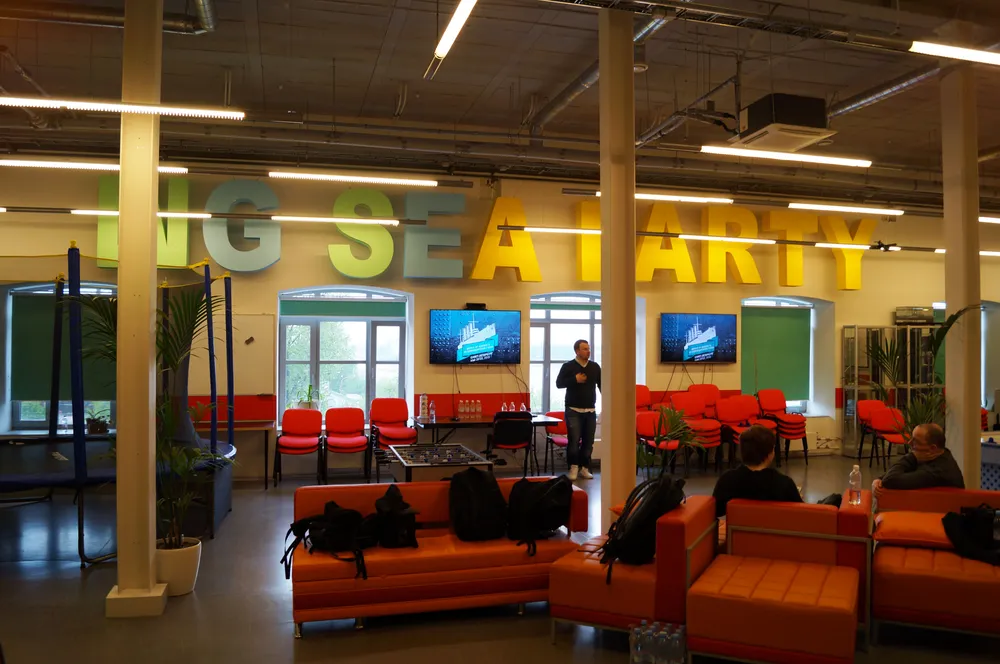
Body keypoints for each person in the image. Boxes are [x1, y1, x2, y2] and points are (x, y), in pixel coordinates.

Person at [712, 425, 802, 518]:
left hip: (739, 527)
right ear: (770, 454)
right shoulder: (784, 484)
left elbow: (714, 512)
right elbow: (802, 515)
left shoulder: (727, 480)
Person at [872, 423, 964, 498]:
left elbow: (890, 480)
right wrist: (880, 479)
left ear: (932, 448)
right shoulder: (942, 454)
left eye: (915, 442)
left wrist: (912, 456)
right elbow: (889, 477)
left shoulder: (937, 471)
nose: (909, 443)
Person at [555, 339, 601, 481]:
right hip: (573, 410)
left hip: (590, 410)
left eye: (589, 349)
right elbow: (559, 383)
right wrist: (574, 379)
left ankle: (584, 468)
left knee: (588, 441)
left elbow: (602, 385)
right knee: (574, 441)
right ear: (577, 351)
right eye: (585, 349)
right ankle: (573, 467)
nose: (588, 351)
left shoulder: (595, 367)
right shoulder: (568, 366)